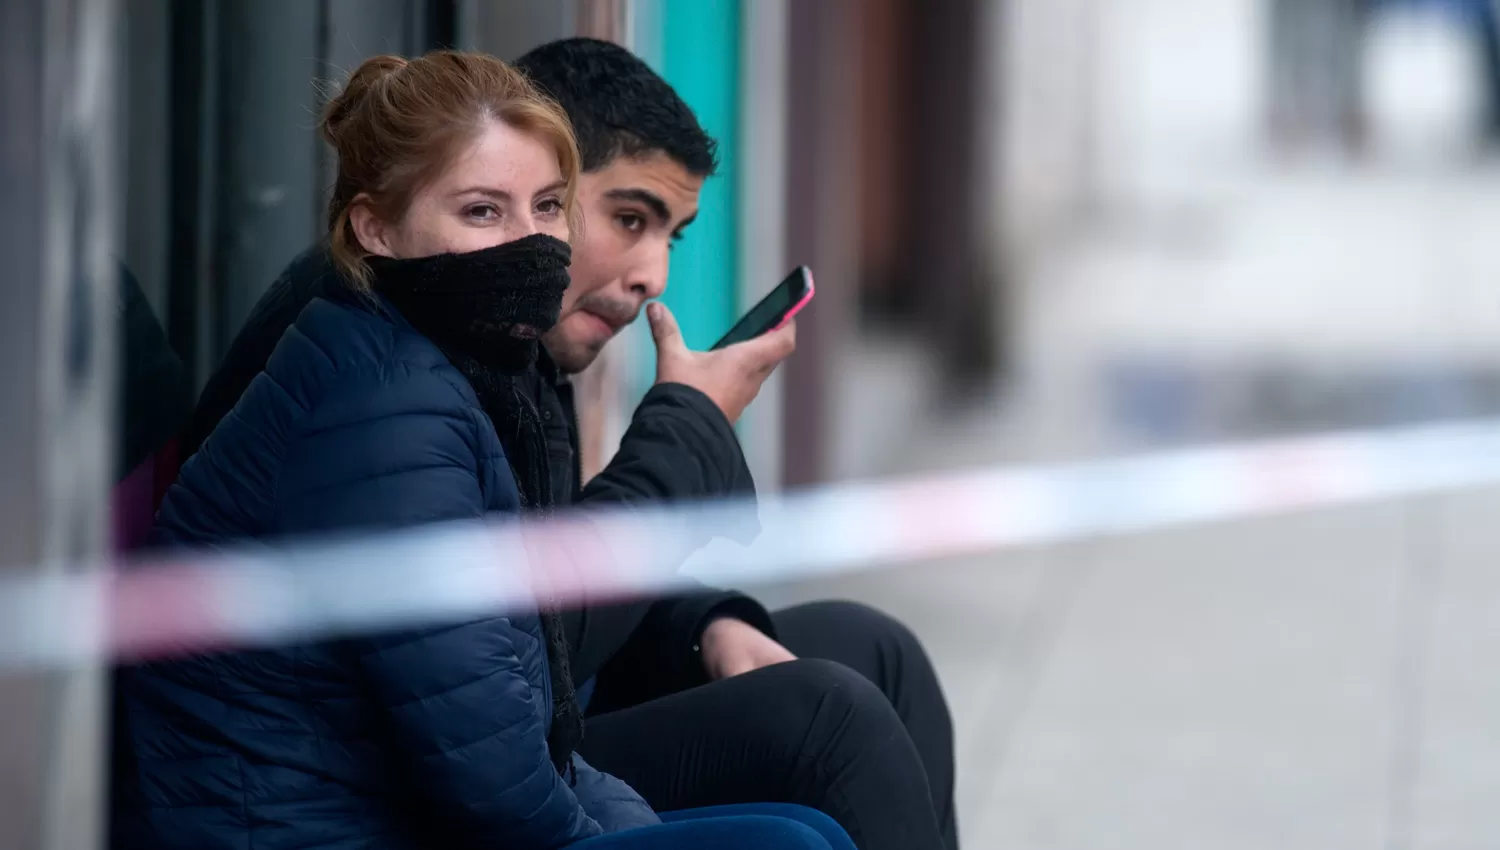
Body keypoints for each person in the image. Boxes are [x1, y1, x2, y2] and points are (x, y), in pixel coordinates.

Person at [172, 39, 956, 850]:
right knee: (826, 721)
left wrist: (704, 623)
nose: (652, 271)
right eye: (626, 218)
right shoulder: (386, 381)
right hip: (384, 787)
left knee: (873, 650)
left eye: (546, 209)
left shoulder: (485, 340)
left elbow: (523, 611)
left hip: (476, 736)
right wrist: (687, 425)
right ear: (378, 227)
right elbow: (524, 675)